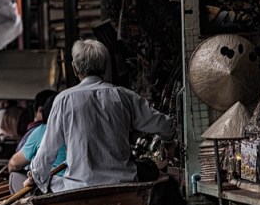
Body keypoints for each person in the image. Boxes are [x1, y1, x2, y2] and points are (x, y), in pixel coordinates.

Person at [29, 39, 174, 193]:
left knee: (48, 182)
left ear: (74, 68)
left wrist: (36, 175)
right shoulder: (123, 96)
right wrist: (169, 142)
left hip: (78, 188)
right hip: (123, 183)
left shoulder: (64, 100)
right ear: (105, 67)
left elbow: (46, 151)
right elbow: (164, 125)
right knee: (149, 168)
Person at [7, 92, 66, 193]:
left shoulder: (41, 130)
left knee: (14, 176)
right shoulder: (78, 130)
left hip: (52, 187)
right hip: (76, 183)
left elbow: (14, 164)